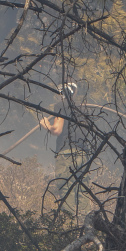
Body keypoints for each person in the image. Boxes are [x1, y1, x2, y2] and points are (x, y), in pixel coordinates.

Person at [39, 82, 91, 215]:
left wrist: (46, 124)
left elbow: (57, 129)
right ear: (75, 92)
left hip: (66, 154)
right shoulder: (84, 108)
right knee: (82, 190)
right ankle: (85, 223)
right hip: (83, 155)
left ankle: (69, 223)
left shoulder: (61, 105)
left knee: (66, 188)